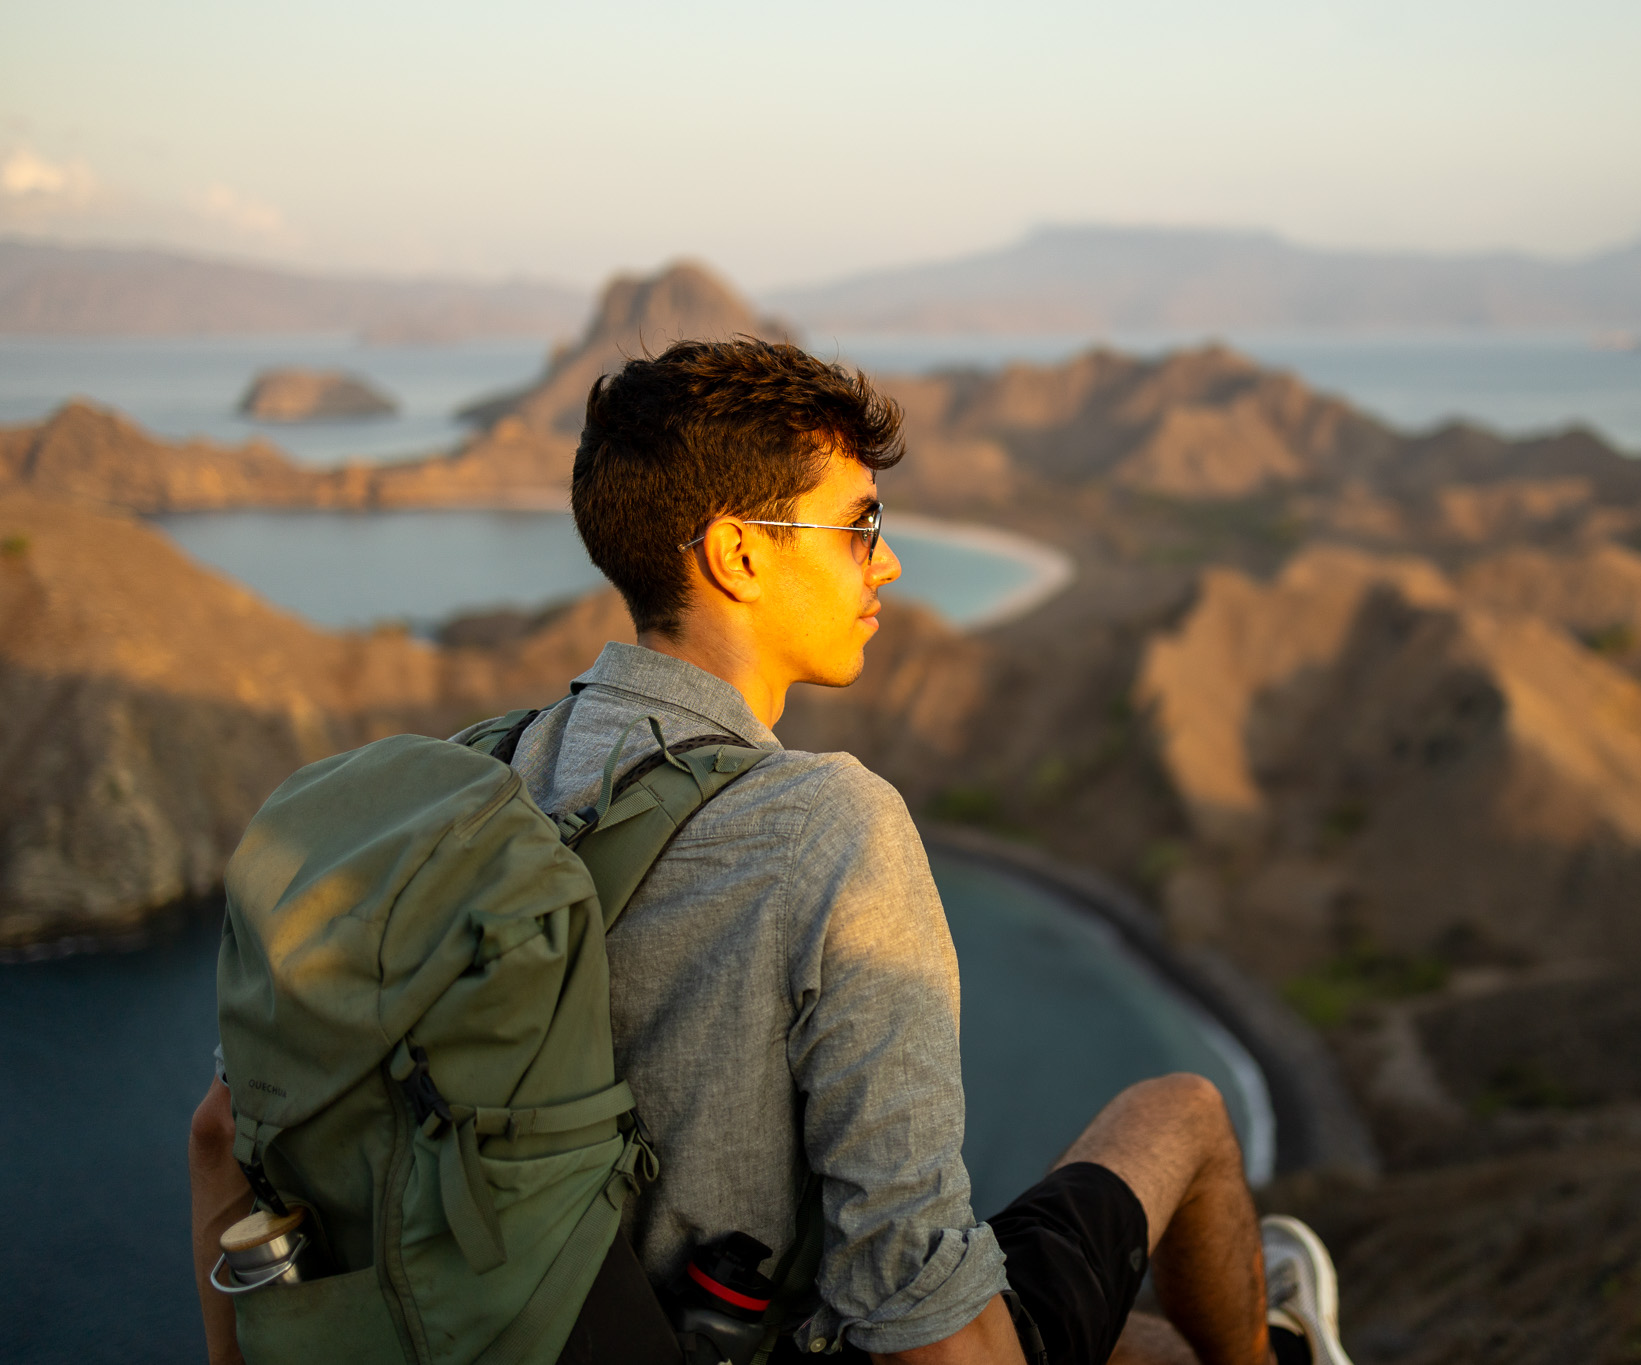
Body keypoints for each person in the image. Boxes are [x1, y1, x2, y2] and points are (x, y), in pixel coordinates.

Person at [190, 338, 1352, 1365]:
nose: (885, 564)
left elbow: (219, 1140)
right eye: (859, 528)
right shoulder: (831, 829)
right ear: (740, 556)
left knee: (1130, 1337)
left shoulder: (476, 784)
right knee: (1188, 1111)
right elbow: (925, 1321)